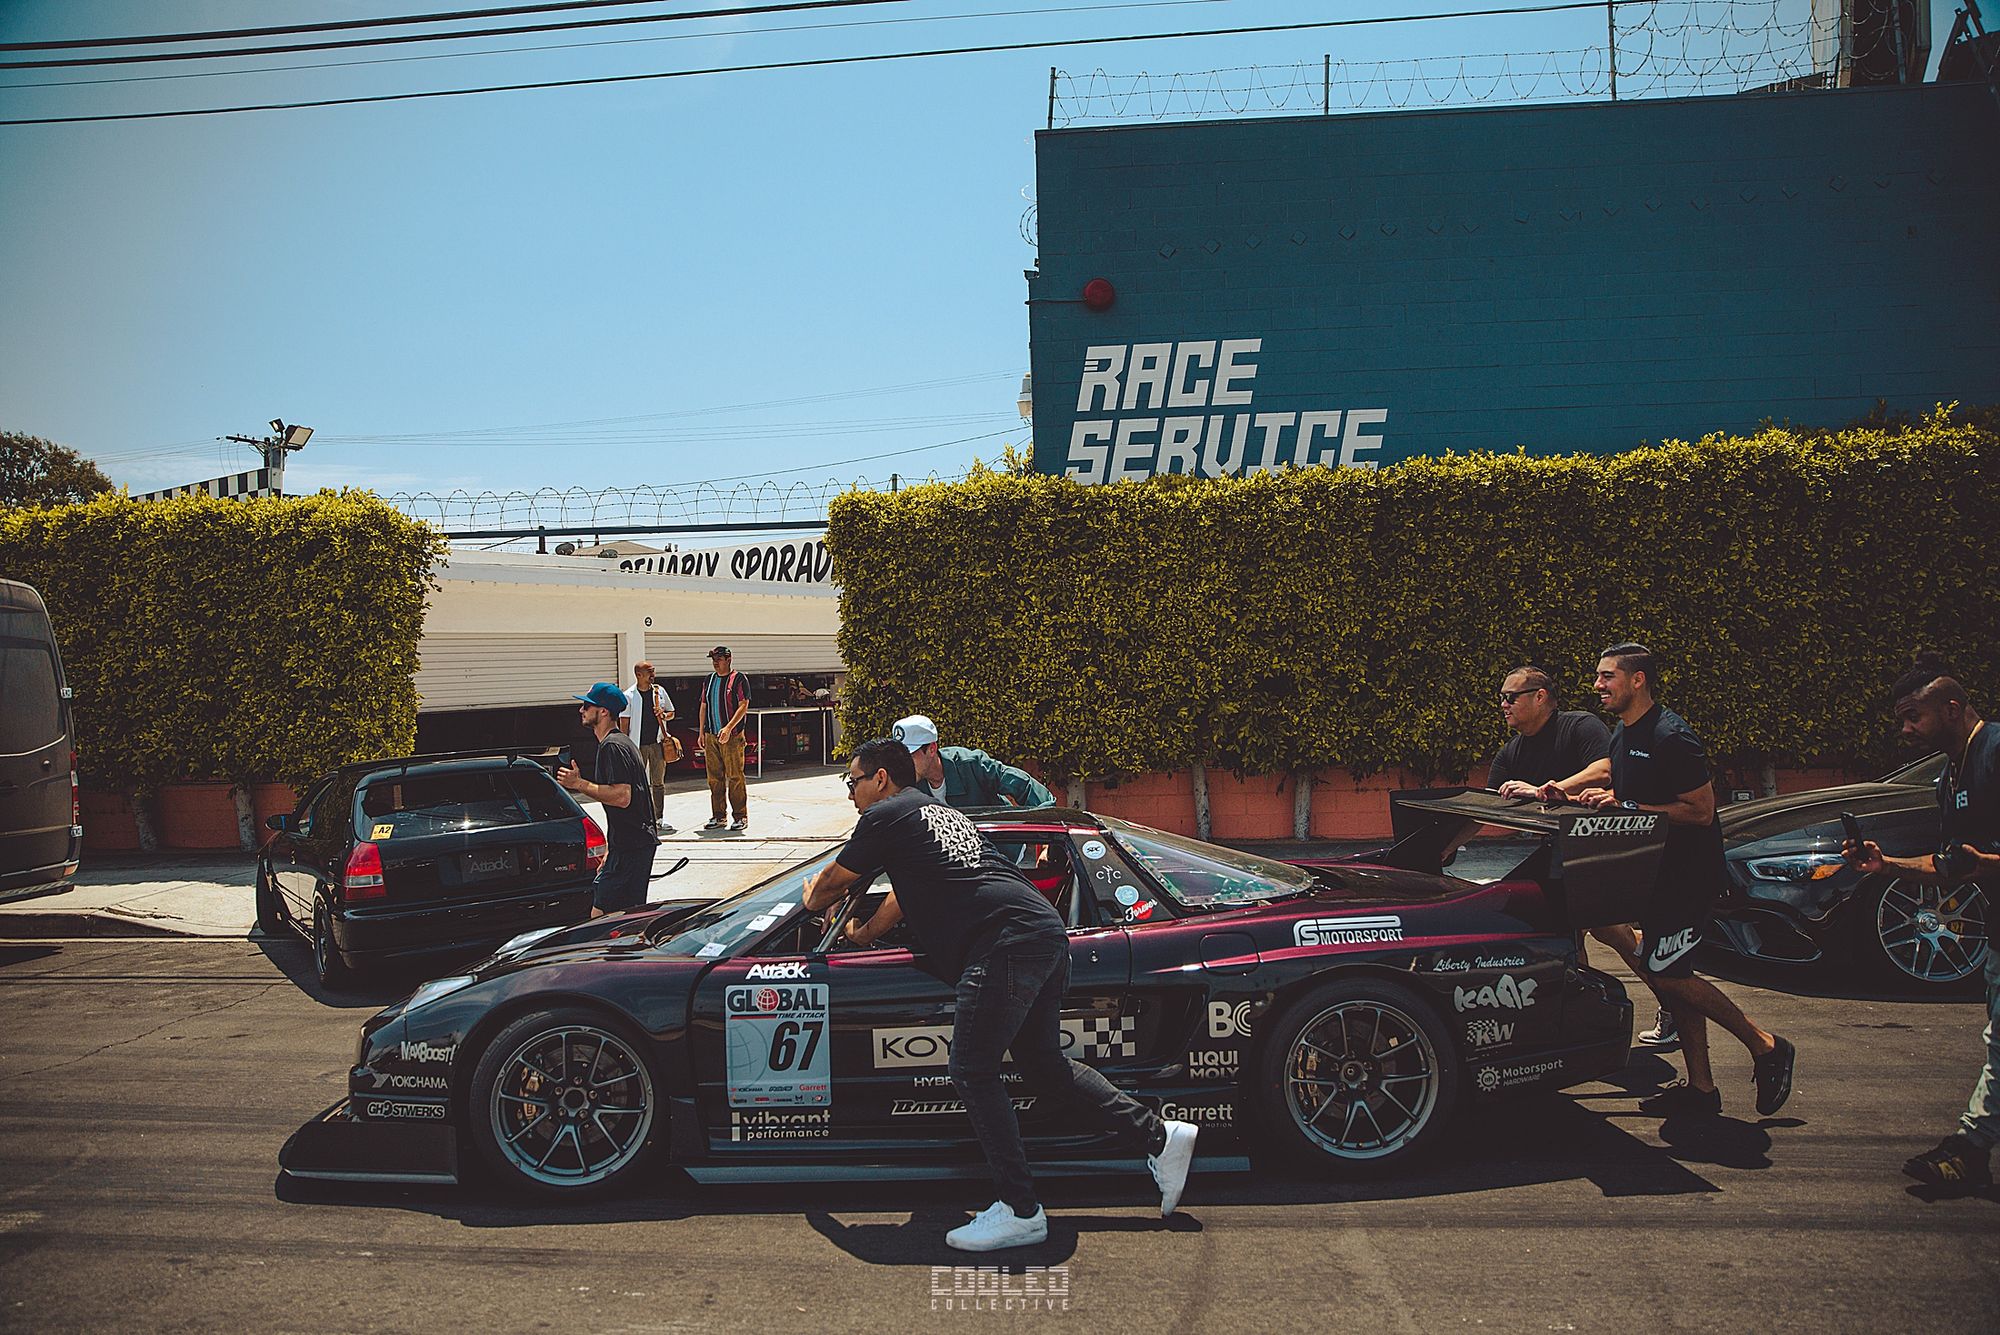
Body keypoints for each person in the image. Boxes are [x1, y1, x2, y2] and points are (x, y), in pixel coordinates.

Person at [801, 737, 1197, 1251]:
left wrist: (812, 897)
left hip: (1004, 943)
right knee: (1043, 1064)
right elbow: (903, 894)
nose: (849, 794)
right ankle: (1160, 1137)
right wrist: (864, 935)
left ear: (880, 779)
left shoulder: (885, 815)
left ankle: (1020, 1209)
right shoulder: (935, 814)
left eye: (851, 782)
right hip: (1041, 932)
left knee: (972, 1068)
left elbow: (829, 885)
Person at [1536, 644, 1796, 1118]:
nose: (1597, 685)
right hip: (1654, 874)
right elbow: (1620, 777)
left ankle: (1765, 1044)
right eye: (1598, 676)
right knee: (1674, 974)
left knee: (1665, 973)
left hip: (1687, 878)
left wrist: (1628, 806)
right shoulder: (1625, 730)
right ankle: (1701, 1088)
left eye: (1607, 676)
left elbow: (1701, 811)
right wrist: (1576, 793)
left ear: (1637, 680)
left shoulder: (1672, 735)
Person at [1844, 652, 1999, 1192]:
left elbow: (1976, 862)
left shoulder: (1995, 752)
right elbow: (1951, 864)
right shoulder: (1949, 776)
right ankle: (1970, 1150)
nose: (1906, 729)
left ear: (1952, 708)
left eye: (1914, 716)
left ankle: (1969, 1150)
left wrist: (1987, 865)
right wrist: (1887, 865)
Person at [1489, 666, 1675, 1047]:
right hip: (1561, 852)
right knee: (1575, 935)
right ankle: (1585, 1023)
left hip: (1604, 846)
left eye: (1511, 697)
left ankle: (1670, 1001)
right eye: (1501, 699)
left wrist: (1545, 789)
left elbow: (1605, 769)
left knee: (1606, 930)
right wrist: (1440, 847)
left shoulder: (1579, 726)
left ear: (1540, 696)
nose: (1503, 705)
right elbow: (1484, 806)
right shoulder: (1512, 751)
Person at [556, 682, 657, 918]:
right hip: (630, 845)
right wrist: (611, 849)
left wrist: (579, 784)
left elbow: (622, 797)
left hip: (632, 847)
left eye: (586, 706)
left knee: (602, 915)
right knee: (627, 915)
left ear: (603, 711)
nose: (581, 710)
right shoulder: (619, 743)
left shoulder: (613, 746)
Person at [893, 714, 1056, 810]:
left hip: (1003, 851)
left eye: (910, 755)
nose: (903, 763)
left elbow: (1024, 786)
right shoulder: (906, 783)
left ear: (931, 749)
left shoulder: (971, 764)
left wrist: (1048, 843)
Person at [699, 646, 751, 832]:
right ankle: (719, 815)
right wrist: (701, 732)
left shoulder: (738, 679)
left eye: (719, 659)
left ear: (729, 659)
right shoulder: (709, 679)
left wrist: (728, 728)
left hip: (732, 736)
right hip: (711, 734)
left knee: (735, 776)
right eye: (713, 659)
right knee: (714, 777)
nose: (715, 662)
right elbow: (704, 705)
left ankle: (740, 816)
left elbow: (743, 705)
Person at [622, 661, 677, 835]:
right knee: (638, 782)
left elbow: (672, 712)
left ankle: (658, 817)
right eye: (649, 671)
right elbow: (624, 723)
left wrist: (664, 715)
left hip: (657, 743)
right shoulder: (629, 696)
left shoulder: (659, 692)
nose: (653, 674)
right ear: (639, 675)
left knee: (658, 782)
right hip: (637, 744)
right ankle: (640, 817)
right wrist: (625, 746)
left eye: (653, 671)